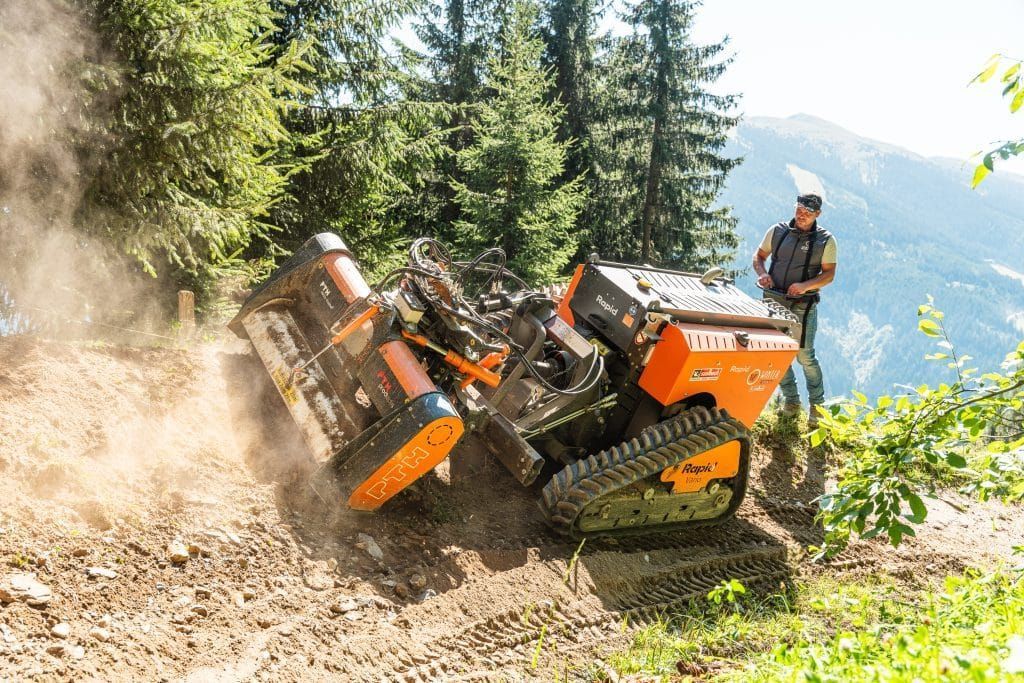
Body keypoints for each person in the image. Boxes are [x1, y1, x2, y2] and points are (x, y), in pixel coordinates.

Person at [752, 193, 837, 428]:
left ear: (817, 214)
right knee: (775, 353)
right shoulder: (777, 231)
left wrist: (804, 286)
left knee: (804, 355)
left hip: (803, 304)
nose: (802, 215)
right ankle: (791, 402)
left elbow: (829, 275)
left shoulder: (825, 240)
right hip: (773, 301)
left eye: (808, 213)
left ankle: (817, 408)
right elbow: (759, 257)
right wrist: (763, 274)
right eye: (799, 209)